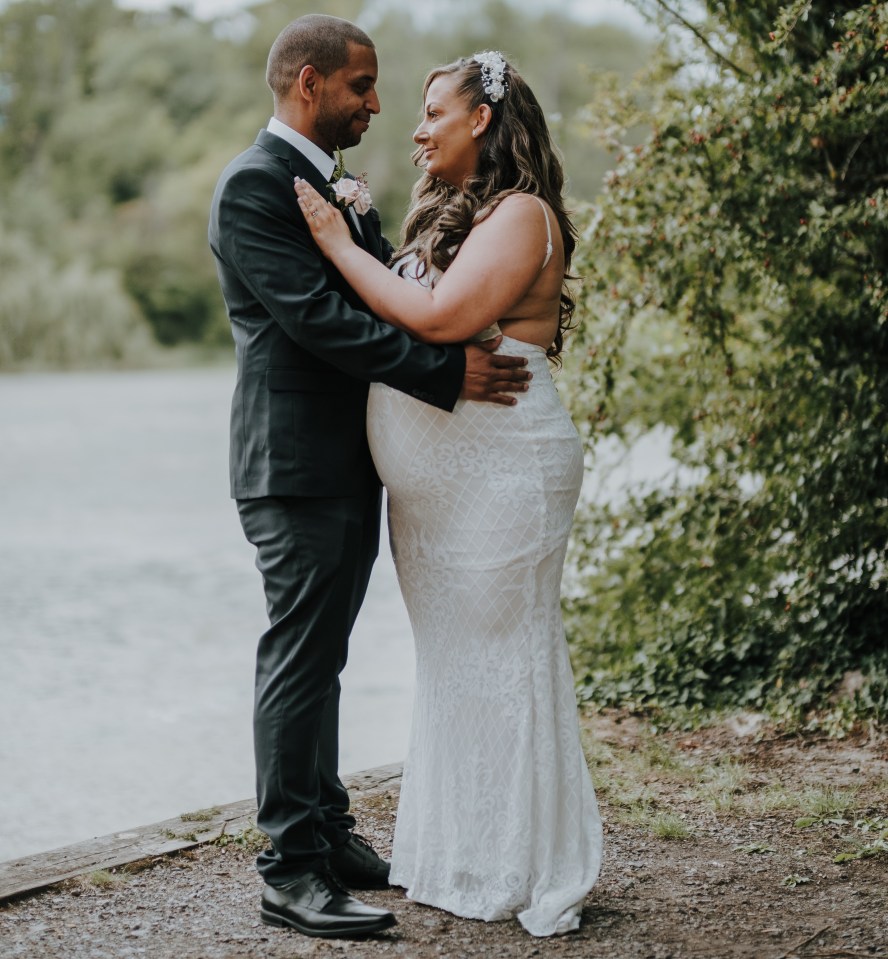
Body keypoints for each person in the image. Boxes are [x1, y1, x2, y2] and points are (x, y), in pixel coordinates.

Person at [208, 16, 533, 941]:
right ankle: (289, 869)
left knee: (327, 658)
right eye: (363, 86)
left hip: (348, 461)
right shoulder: (253, 187)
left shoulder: (329, 186)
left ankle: (330, 829)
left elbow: (374, 289)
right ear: (309, 84)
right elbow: (318, 319)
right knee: (299, 656)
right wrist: (442, 373)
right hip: (293, 465)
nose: (378, 105)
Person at [294, 51, 603, 937]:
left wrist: (332, 242)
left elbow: (437, 321)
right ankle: (460, 853)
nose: (418, 127)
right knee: (454, 668)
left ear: (482, 119)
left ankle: (525, 861)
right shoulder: (449, 215)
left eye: (435, 111)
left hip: (504, 476)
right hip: (436, 498)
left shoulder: (520, 213)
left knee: (504, 663)